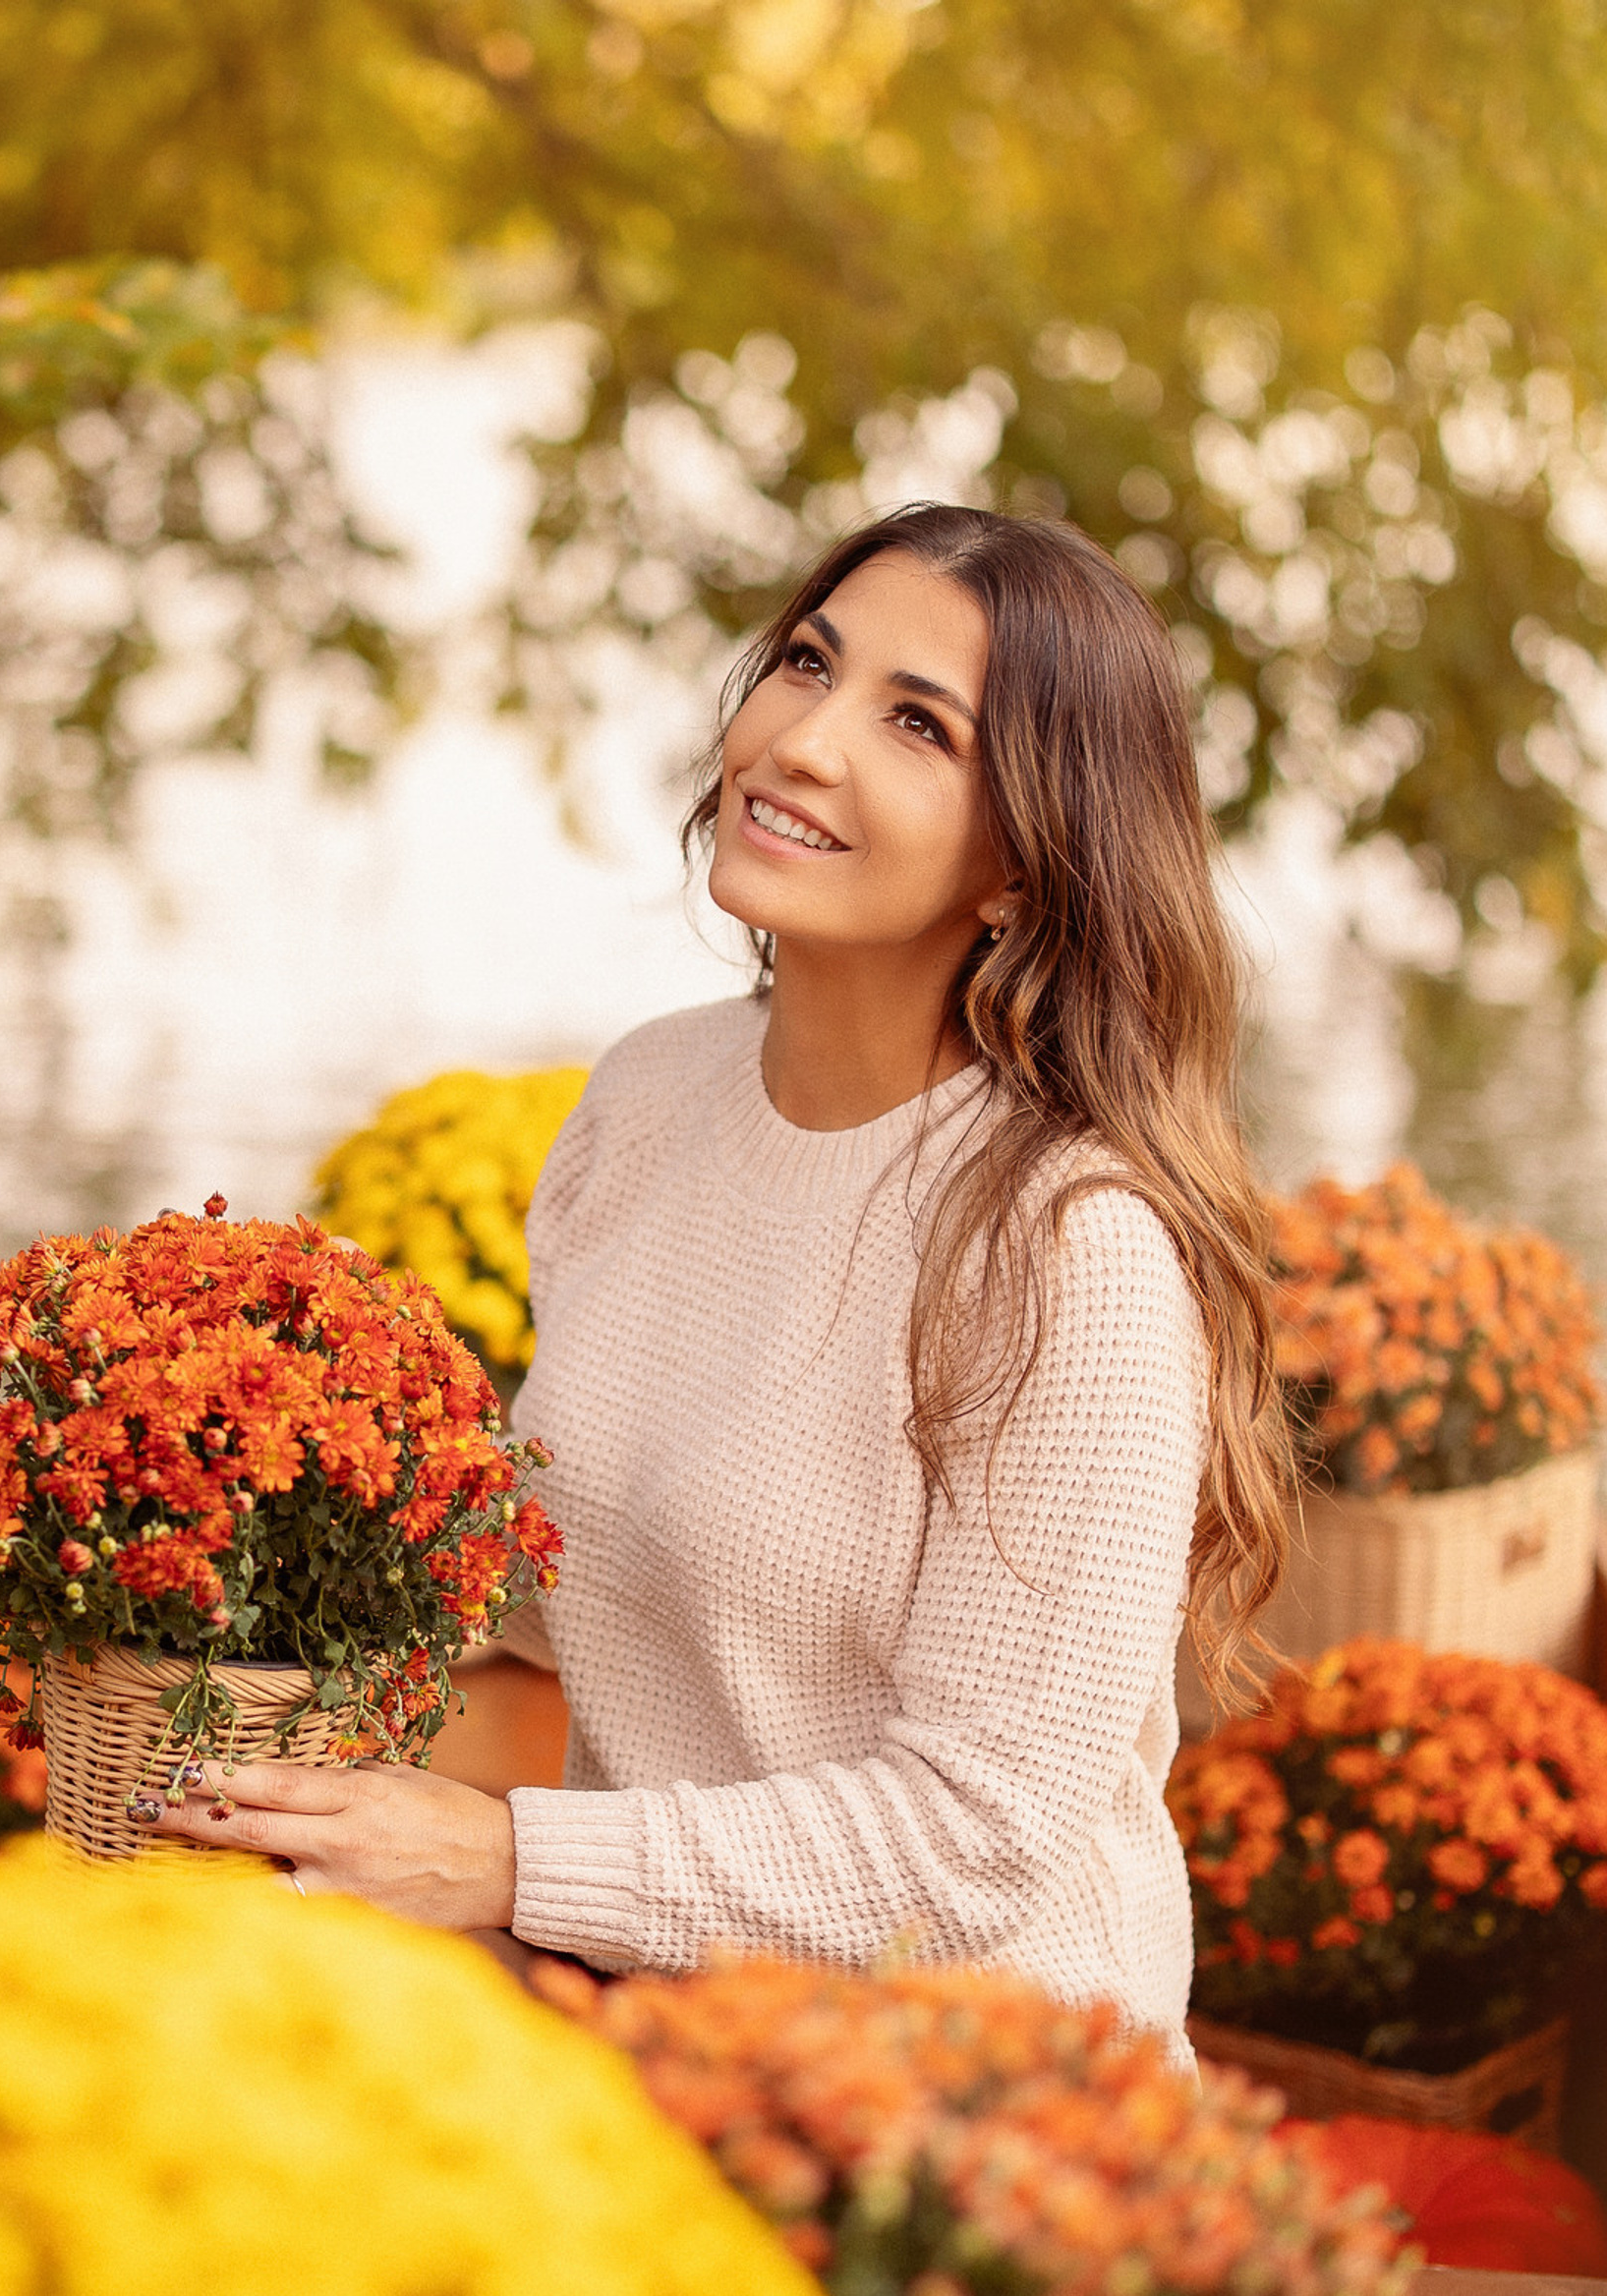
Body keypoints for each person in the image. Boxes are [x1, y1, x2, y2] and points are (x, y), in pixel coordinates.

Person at [139, 503, 1293, 2061]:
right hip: (655, 2031)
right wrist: (216, 1581)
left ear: (1025, 865)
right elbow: (578, 1601)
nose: (804, 742)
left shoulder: (1067, 1244)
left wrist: (497, 1860)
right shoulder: (648, 1100)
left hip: (972, 2114)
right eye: (807, 664)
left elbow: (976, 1836)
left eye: (915, 725)